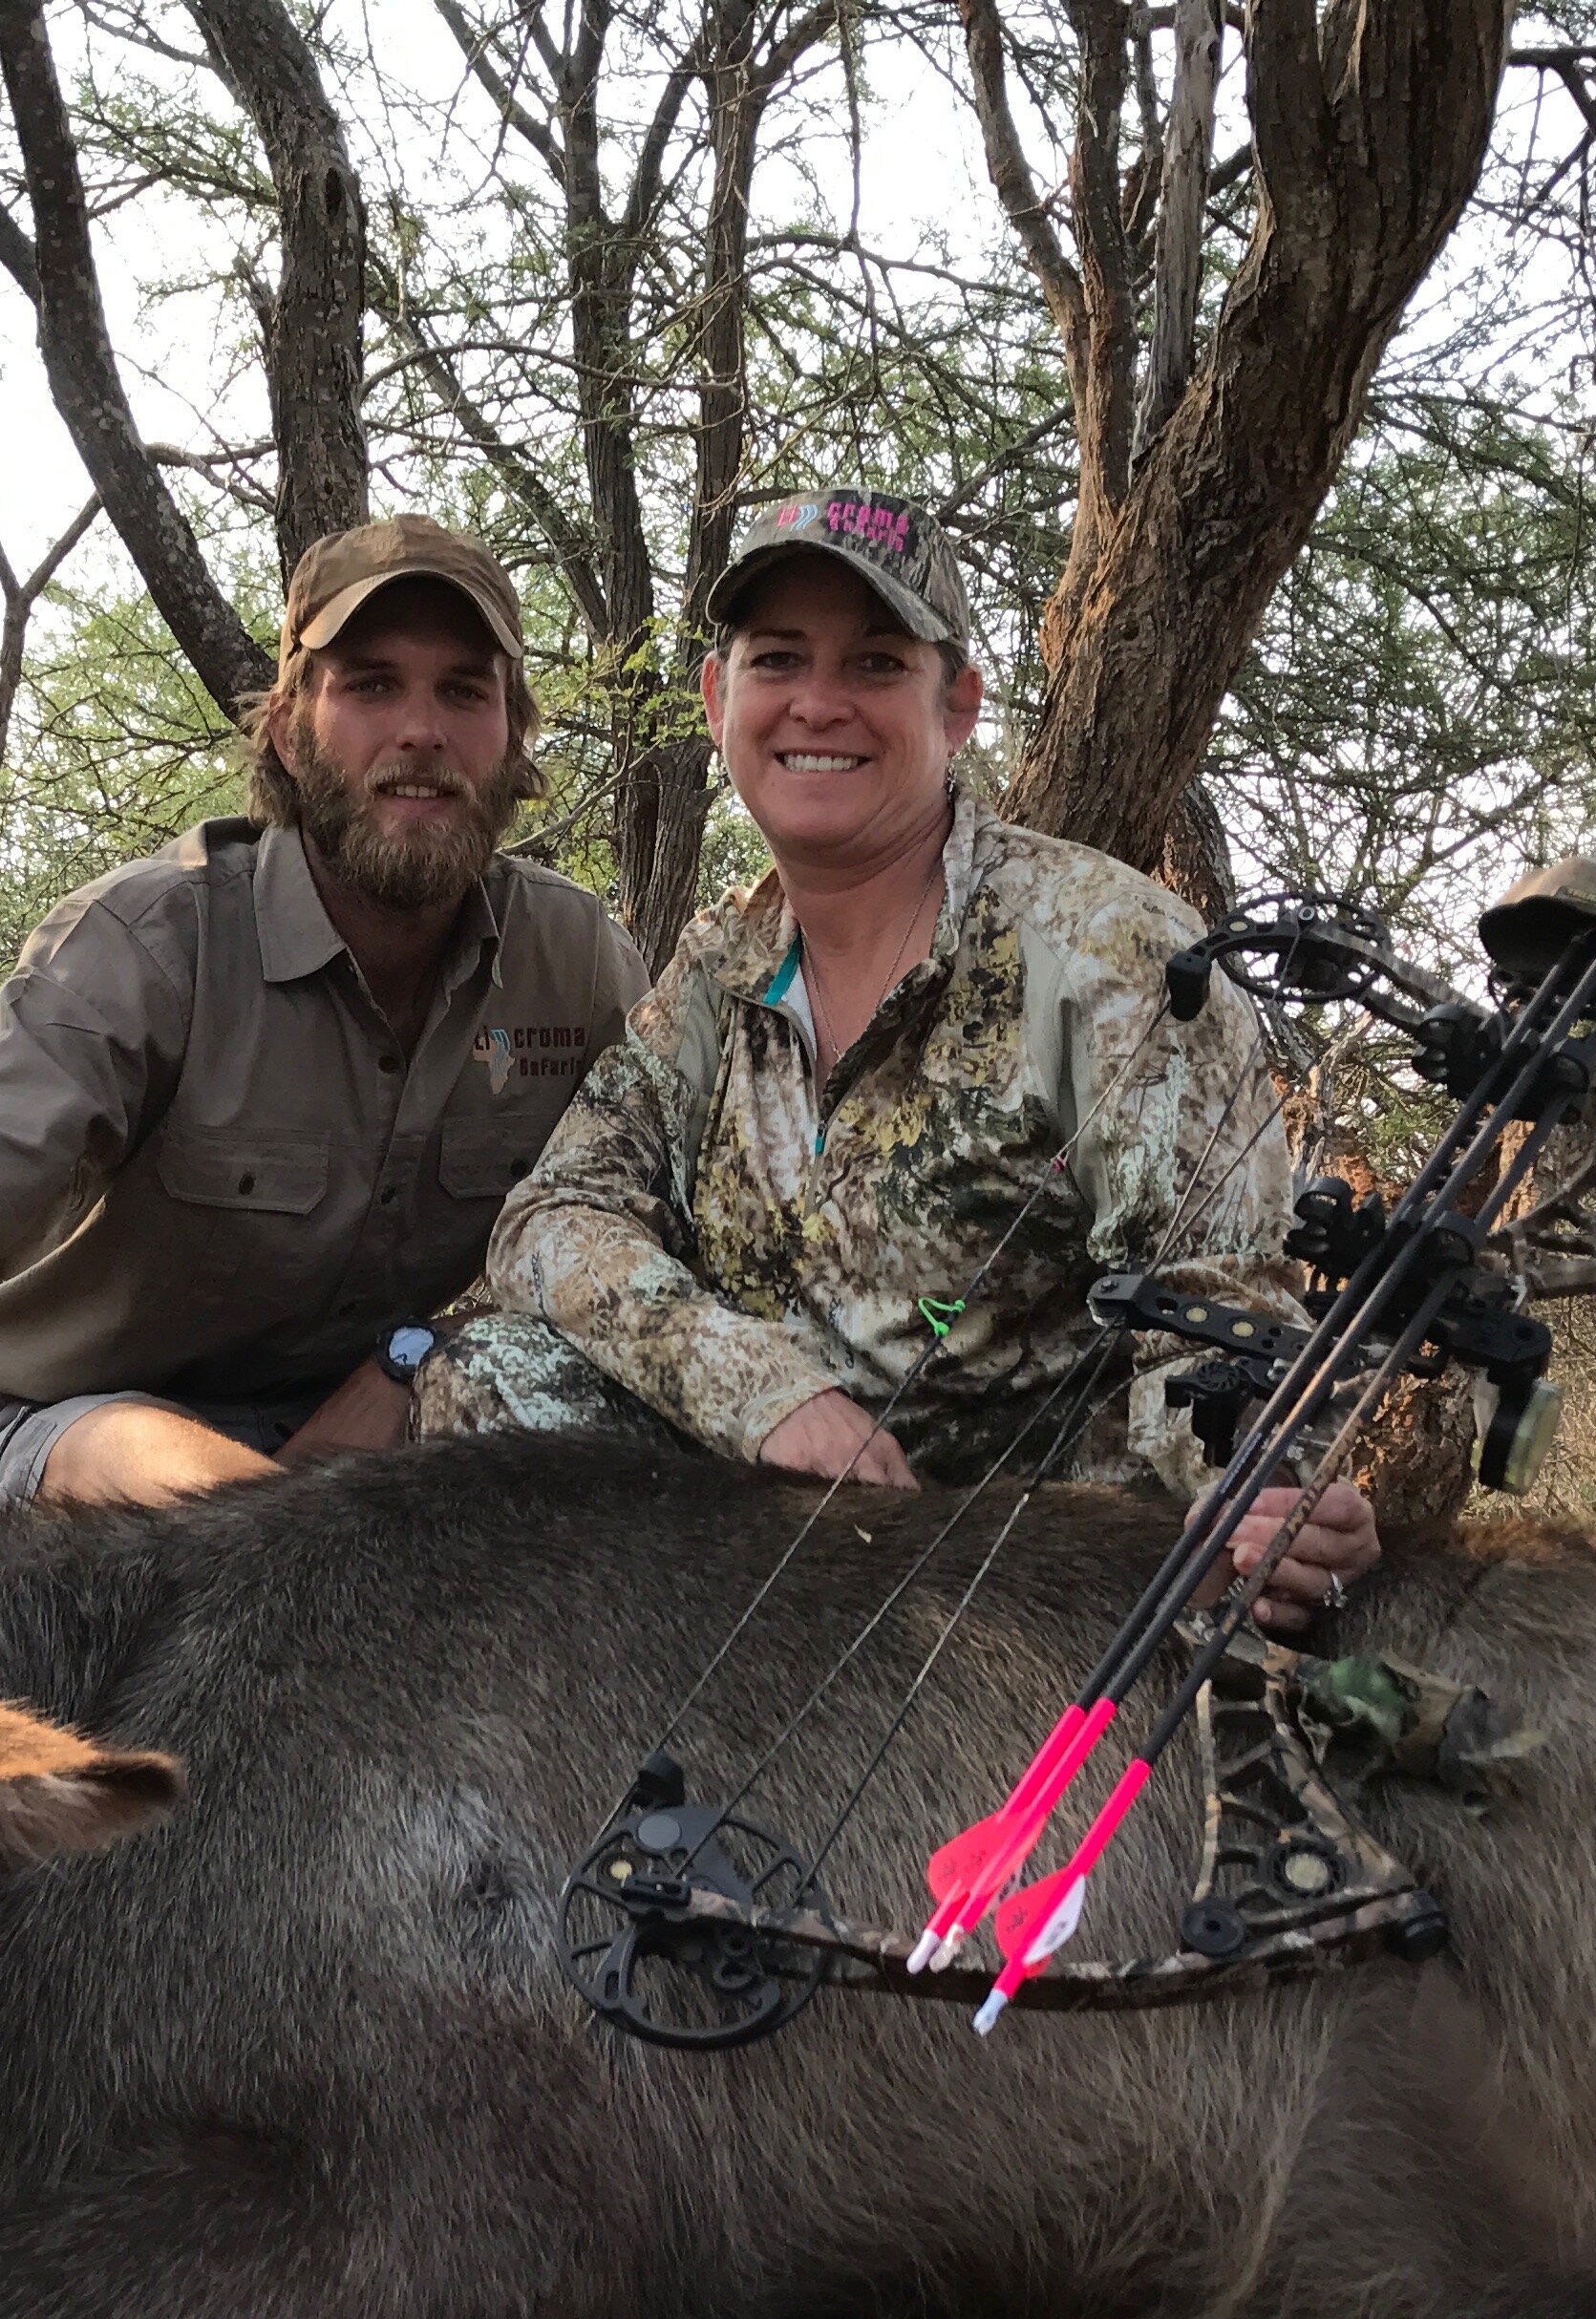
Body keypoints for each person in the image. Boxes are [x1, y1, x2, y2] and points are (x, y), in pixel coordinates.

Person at [418, 482, 1375, 1631]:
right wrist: (762, 1392)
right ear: (722, 697)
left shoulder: (1108, 951)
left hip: (1007, 1579)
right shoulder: (724, 965)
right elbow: (551, 1218)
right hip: (763, 1521)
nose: (817, 705)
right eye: (778, 661)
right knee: (488, 1376)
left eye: (875, 664)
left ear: (957, 705)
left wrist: (1258, 1492)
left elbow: (1217, 1315)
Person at [0, 515, 645, 1576]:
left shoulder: (577, 957)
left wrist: (416, 1357)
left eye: (464, 690)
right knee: (144, 1462)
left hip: (382, 1426)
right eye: (370, 686)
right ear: (286, 726)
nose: (421, 731)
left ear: (513, 736)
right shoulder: (145, 943)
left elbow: (640, 1226)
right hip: (78, 1427)